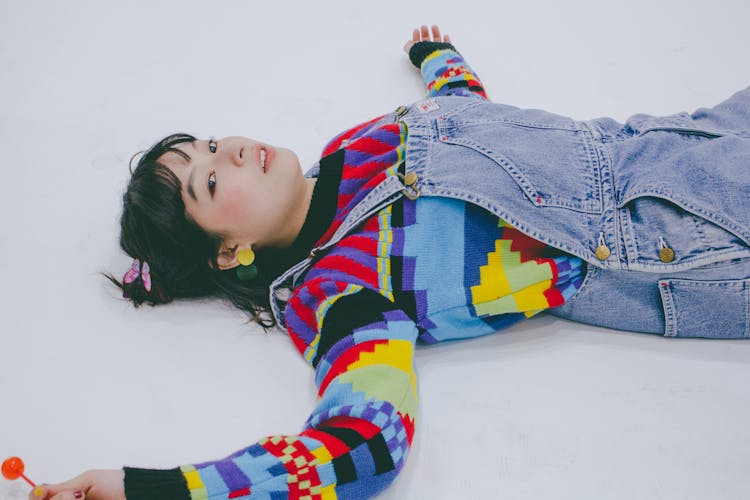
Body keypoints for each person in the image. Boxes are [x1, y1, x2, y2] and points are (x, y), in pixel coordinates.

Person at [31, 24, 750, 500]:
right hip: (681, 234)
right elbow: (359, 449)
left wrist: (441, 64)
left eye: (213, 144)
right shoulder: (341, 293)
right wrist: (147, 488)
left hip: (671, 137)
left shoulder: (349, 150)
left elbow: (474, 126)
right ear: (228, 251)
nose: (232, 152)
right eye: (211, 181)